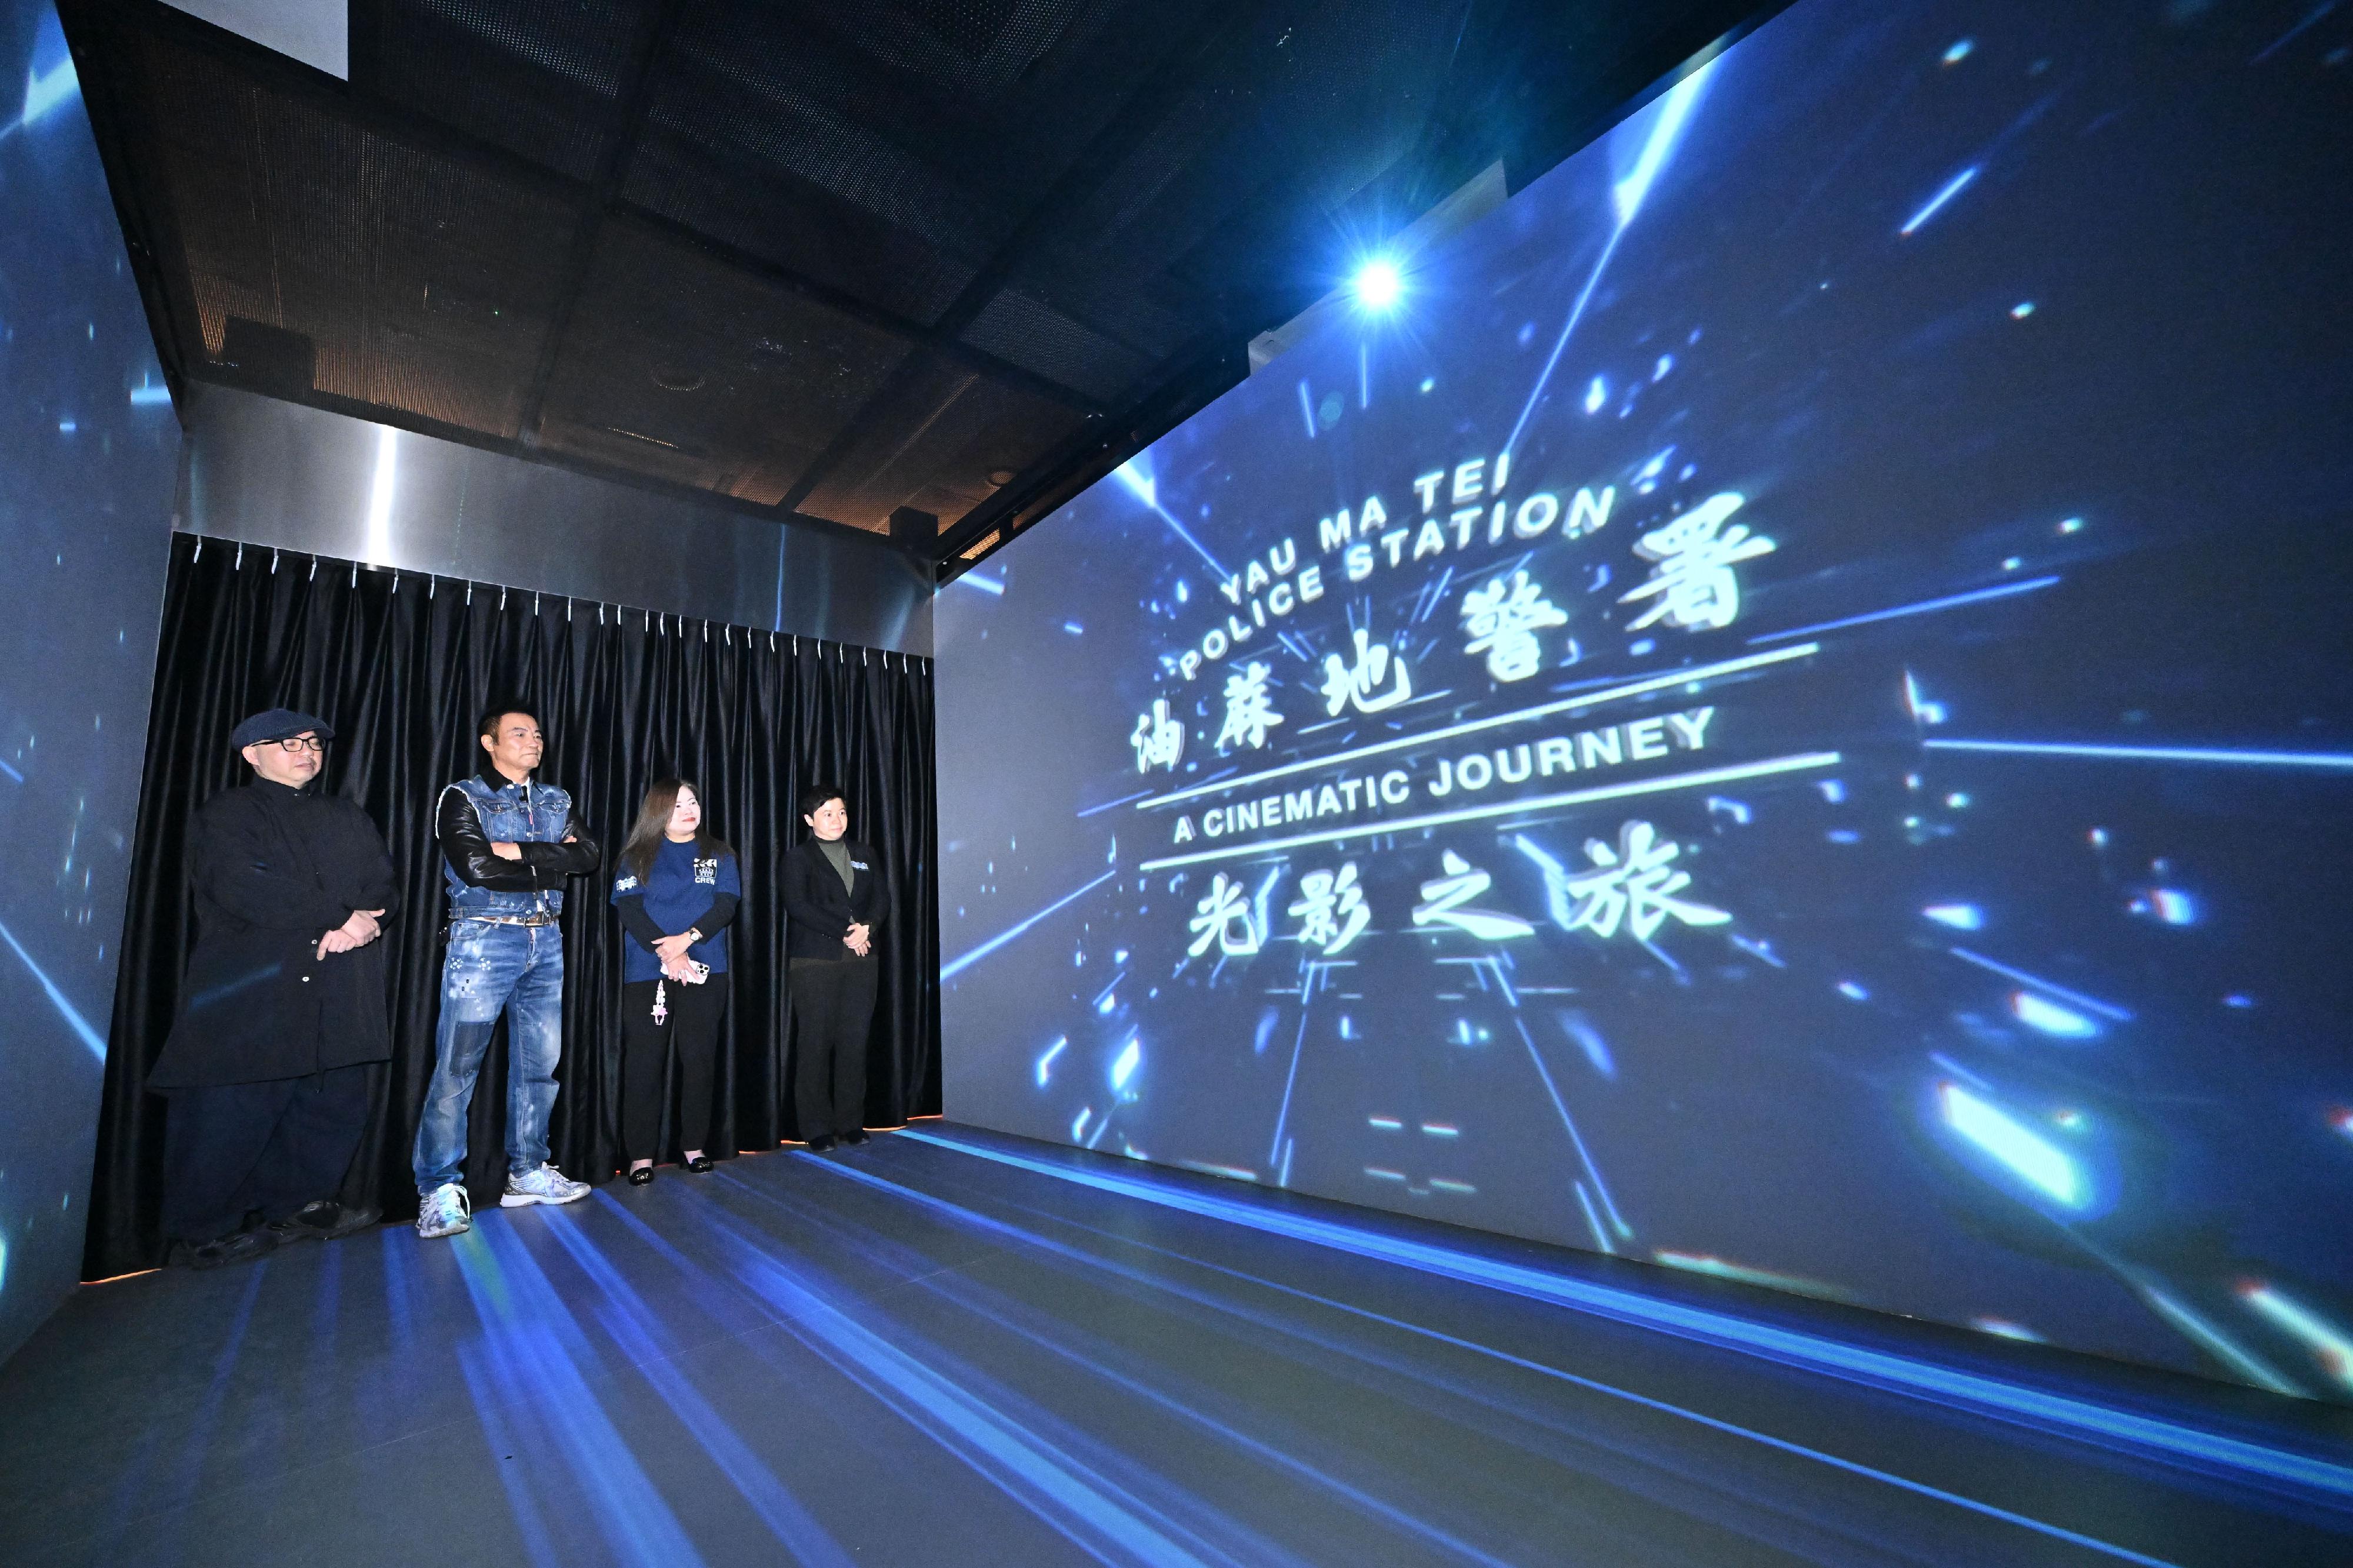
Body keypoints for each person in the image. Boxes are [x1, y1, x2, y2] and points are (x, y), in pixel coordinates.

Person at [146, 709, 394, 1269]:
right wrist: (336, 918)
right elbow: (241, 883)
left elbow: (382, 882)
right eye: (289, 743)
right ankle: (202, 1231)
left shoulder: (347, 815)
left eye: (313, 743)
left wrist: (362, 922)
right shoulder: (227, 813)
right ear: (251, 755)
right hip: (256, 988)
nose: (307, 752)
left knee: (329, 1102)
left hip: (339, 984)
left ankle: (301, 1205)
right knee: (229, 1112)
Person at [412, 706, 601, 1239]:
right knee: (457, 1069)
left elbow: (588, 856)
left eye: (538, 733)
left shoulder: (556, 799)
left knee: (540, 1065)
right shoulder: (463, 796)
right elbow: (476, 867)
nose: (533, 741)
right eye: (519, 733)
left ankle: (528, 1171)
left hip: (547, 939)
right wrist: (552, 863)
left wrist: (517, 852)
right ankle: (438, 1187)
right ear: (489, 742)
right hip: (484, 939)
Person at [611, 779, 740, 1185]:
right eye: (678, 804)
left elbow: (726, 904)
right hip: (648, 972)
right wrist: (670, 952)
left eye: (693, 802)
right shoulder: (636, 856)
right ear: (658, 811)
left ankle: (694, 1147)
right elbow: (630, 909)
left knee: (699, 1061)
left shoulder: (719, 854)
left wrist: (688, 940)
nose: (689, 810)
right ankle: (641, 1156)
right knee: (645, 1063)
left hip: (707, 970)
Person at [782, 785, 889, 1152]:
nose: (837, 820)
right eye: (827, 813)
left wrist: (868, 927)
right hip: (815, 961)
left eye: (842, 812)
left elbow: (882, 898)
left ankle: (851, 1122)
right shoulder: (797, 858)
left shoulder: (865, 854)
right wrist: (848, 931)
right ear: (809, 820)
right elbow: (799, 906)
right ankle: (816, 1127)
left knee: (854, 1042)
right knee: (815, 1043)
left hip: (862, 960)